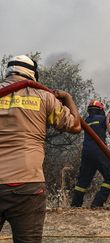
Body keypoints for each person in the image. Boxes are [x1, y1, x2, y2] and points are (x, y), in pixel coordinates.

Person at [0, 55, 81, 242]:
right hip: (27, 185)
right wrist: (67, 98)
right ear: (33, 74)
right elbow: (75, 126)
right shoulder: (44, 97)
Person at [71, 100, 110, 208]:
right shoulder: (103, 119)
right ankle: (97, 204)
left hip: (86, 153)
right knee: (109, 179)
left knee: (83, 181)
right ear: (101, 110)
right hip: (100, 152)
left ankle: (75, 205)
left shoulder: (86, 120)